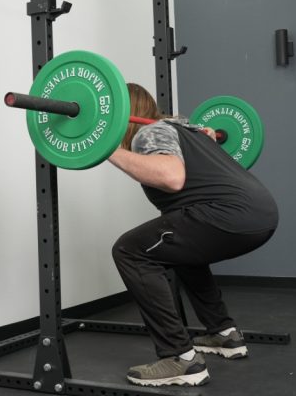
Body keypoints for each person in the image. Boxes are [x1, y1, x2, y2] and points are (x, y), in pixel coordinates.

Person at [106, 83, 279, 387]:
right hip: (260, 213)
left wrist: (106, 146)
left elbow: (171, 178)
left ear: (124, 113)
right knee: (180, 246)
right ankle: (223, 334)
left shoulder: (150, 132)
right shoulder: (189, 130)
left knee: (129, 251)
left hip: (229, 213)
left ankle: (180, 358)